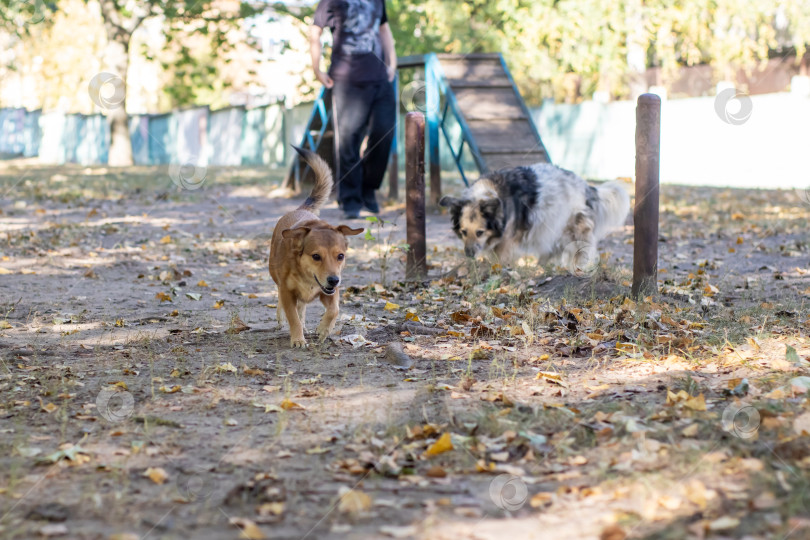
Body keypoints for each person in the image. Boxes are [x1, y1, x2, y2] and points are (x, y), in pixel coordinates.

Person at [309, 0, 397, 219]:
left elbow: (383, 29)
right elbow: (315, 32)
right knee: (348, 140)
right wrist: (316, 68)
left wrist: (392, 62)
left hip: (379, 78)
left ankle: (368, 188)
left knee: (384, 133)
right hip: (347, 79)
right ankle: (350, 199)